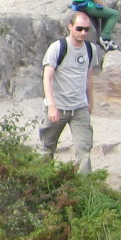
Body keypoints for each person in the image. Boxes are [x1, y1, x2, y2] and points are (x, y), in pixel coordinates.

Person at [40, 10, 97, 174]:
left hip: (79, 108)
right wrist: (51, 106)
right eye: (79, 29)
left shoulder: (90, 49)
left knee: (84, 149)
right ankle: (43, 180)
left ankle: (84, 186)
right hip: (58, 106)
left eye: (86, 29)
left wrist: (90, 101)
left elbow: (89, 77)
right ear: (70, 27)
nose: (83, 33)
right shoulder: (57, 48)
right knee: (46, 148)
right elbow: (47, 77)